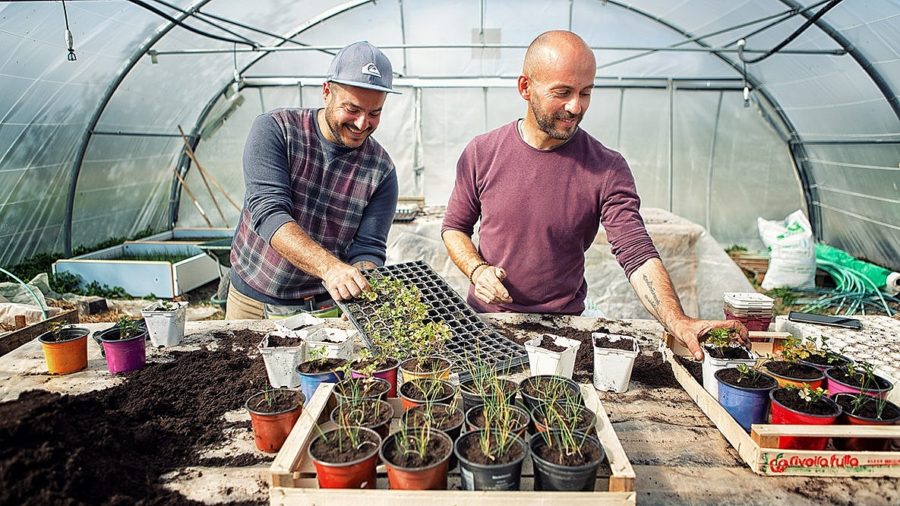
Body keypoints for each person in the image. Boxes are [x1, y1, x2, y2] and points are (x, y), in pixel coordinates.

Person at [441, 31, 746, 359]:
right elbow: (454, 227)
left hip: (561, 329)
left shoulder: (606, 167)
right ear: (525, 88)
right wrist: (478, 270)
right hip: (488, 323)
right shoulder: (483, 152)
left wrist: (677, 320)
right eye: (563, 92)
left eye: (585, 92)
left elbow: (636, 252)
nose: (575, 106)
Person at [226, 41, 399, 320]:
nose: (362, 123)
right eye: (352, 109)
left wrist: (362, 287)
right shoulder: (276, 130)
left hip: (323, 306)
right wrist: (331, 268)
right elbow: (270, 214)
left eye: (374, 113)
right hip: (252, 299)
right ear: (327, 91)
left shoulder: (381, 170)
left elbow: (368, 247)